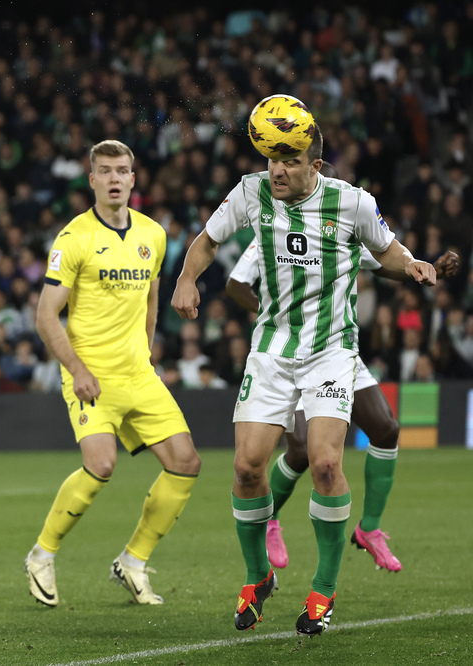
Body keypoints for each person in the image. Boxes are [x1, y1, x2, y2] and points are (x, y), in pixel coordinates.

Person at [171, 110, 435, 636]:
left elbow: (386, 247)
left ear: (314, 162)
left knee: (325, 465)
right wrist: (185, 278)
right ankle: (257, 577)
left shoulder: (351, 201)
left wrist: (412, 264)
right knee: (247, 469)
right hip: (271, 348)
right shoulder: (250, 193)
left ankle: (325, 591)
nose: (278, 171)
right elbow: (205, 241)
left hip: (331, 350)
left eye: (289, 161)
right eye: (272, 160)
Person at [24, 140, 201, 608]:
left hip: (137, 374)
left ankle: (134, 562)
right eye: (106, 171)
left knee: (186, 463)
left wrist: (147, 349)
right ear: (93, 180)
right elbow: (45, 316)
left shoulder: (154, 235)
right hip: (90, 375)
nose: (116, 179)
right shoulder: (73, 238)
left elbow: (150, 297)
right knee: (102, 464)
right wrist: (77, 369)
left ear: (134, 178)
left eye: (123, 170)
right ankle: (42, 555)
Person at [227, 236, 458, 574]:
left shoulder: (341, 220)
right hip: (286, 354)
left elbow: (384, 265)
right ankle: (269, 521)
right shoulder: (274, 225)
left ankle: (369, 530)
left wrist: (427, 268)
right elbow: (236, 284)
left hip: (336, 348)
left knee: (385, 429)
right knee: (303, 450)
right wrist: (276, 313)